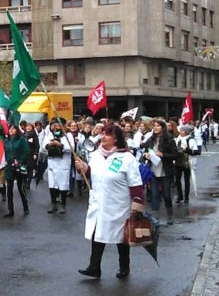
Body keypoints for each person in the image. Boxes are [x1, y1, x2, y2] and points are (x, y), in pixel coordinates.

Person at [74, 122, 145, 278]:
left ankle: (124, 267)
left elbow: (136, 184)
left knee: (121, 237)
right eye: (102, 133)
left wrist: (136, 206)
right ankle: (94, 267)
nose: (103, 136)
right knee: (97, 234)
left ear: (116, 139)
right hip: (99, 203)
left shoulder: (127, 158)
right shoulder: (96, 156)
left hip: (119, 206)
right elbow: (92, 173)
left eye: (107, 134)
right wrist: (84, 168)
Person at [140, 118, 177, 225]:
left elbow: (175, 155)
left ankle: (170, 215)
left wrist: (163, 155)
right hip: (153, 171)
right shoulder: (151, 139)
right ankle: (155, 219)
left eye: (158, 126)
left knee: (166, 194)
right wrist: (146, 156)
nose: (155, 128)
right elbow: (144, 150)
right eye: (154, 126)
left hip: (165, 171)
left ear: (163, 127)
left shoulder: (169, 139)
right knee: (154, 195)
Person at [44, 120, 73, 214]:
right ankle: (53, 204)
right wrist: (49, 145)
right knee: (52, 184)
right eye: (54, 125)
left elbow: (71, 148)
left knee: (62, 183)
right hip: (52, 162)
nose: (56, 127)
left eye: (58, 125)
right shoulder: (50, 135)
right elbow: (44, 146)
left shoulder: (68, 135)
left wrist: (60, 145)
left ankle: (63, 204)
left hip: (63, 162)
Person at [3, 124, 30, 217]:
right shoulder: (6, 140)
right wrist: (5, 160)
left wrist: (20, 161)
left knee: (20, 188)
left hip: (19, 167)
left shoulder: (21, 140)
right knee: (9, 189)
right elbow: (3, 152)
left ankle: (25, 206)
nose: (11, 130)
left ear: (17, 130)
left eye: (13, 129)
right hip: (9, 167)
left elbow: (26, 151)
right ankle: (10, 210)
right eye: (9, 129)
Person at [174, 127, 195, 204]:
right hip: (178, 160)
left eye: (183, 131)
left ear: (186, 132)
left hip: (186, 161)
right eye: (181, 130)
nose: (181, 132)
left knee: (186, 180)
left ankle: (186, 197)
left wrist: (186, 149)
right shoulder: (178, 139)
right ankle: (180, 196)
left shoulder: (190, 140)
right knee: (177, 180)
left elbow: (195, 151)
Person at [24, 123, 40, 190]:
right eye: (27, 126)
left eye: (30, 126)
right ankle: (24, 181)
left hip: (31, 154)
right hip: (23, 155)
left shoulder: (34, 136)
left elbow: (37, 146)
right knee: (23, 169)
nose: (28, 128)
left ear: (32, 128)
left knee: (30, 169)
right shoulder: (22, 135)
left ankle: (28, 183)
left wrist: (35, 154)